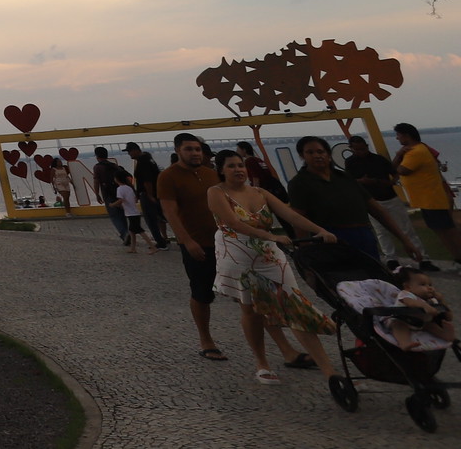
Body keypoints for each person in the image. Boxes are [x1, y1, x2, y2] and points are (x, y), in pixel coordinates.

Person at [207, 149, 339, 385]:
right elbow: (233, 223)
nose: (238, 169)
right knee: (252, 310)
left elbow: (289, 214)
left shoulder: (260, 192)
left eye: (241, 165)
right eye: (231, 166)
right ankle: (262, 363)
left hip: (269, 255)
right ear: (221, 170)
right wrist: (270, 235)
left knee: (292, 304)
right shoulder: (216, 192)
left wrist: (320, 230)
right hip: (239, 256)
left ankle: (330, 372)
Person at [160, 133, 234, 361]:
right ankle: (206, 340)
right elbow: (170, 212)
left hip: (224, 242)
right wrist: (187, 241)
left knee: (244, 292)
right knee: (202, 294)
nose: (195, 153)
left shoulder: (211, 174)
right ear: (178, 150)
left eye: (197, 149)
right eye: (189, 149)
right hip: (197, 244)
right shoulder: (168, 177)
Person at [285, 136, 418, 262]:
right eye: (310, 152)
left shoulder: (345, 178)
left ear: (328, 155)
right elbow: (298, 220)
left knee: (374, 281)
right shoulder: (299, 183)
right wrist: (308, 252)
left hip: (364, 237)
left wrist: (404, 240)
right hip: (331, 241)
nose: (316, 155)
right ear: (302, 156)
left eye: (320, 151)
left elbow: (376, 210)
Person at [343, 134, 431, 267]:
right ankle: (391, 258)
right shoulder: (350, 162)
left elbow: (394, 172)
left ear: (367, 146)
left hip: (390, 197)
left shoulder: (378, 159)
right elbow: (349, 181)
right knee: (381, 231)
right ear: (351, 149)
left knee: (406, 228)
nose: (361, 152)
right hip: (371, 200)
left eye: (363, 149)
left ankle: (423, 258)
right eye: (357, 150)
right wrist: (362, 181)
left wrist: (390, 182)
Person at [337, 268, 455, 353]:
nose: (429, 287)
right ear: (408, 287)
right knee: (398, 326)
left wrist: (441, 301)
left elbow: (448, 316)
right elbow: (411, 303)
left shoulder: (431, 300)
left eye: (430, 284)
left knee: (431, 325)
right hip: (400, 319)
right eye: (423, 284)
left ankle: (444, 335)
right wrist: (425, 306)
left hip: (420, 323)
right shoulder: (406, 294)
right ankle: (405, 343)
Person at [395, 123, 461, 264]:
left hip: (432, 199)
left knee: (449, 231)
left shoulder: (416, 152)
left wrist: (398, 155)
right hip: (426, 200)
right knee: (441, 231)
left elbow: (401, 170)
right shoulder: (417, 150)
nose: (397, 138)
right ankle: (457, 258)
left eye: (398, 135)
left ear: (406, 135)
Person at [125, 141, 170, 248]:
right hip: (156, 192)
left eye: (130, 151)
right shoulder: (149, 159)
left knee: (150, 219)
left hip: (147, 194)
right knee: (161, 216)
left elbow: (147, 180)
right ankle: (164, 238)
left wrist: (149, 195)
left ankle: (161, 242)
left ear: (136, 150)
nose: (129, 154)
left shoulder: (142, 162)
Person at [92, 146, 131, 247]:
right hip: (119, 193)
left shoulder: (97, 167)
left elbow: (96, 181)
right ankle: (126, 233)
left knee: (114, 216)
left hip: (108, 194)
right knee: (122, 215)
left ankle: (124, 234)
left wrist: (97, 194)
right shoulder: (114, 165)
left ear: (97, 156)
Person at [115, 177, 146, 252]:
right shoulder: (129, 188)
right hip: (134, 212)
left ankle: (152, 246)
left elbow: (121, 200)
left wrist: (112, 204)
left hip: (131, 214)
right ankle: (133, 248)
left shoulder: (120, 189)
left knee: (139, 231)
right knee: (132, 231)